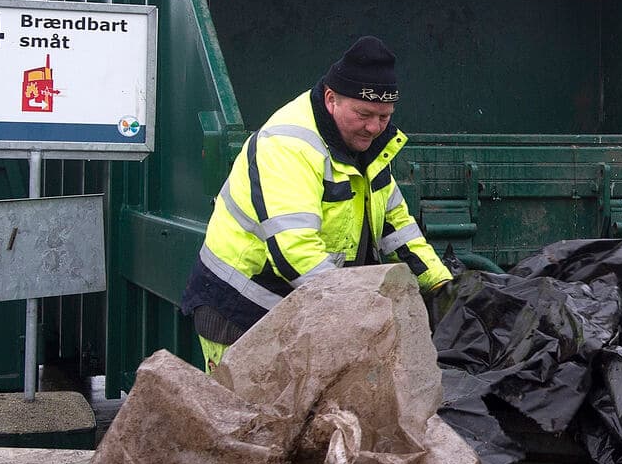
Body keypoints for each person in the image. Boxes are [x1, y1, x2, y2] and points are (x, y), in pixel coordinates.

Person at [179, 36, 453, 368]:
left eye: (384, 116)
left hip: (303, 311)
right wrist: (358, 314)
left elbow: (396, 228)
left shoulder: (369, 147)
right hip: (243, 314)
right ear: (330, 99)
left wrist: (442, 287)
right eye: (364, 114)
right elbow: (295, 251)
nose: (374, 127)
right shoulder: (288, 146)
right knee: (243, 418)